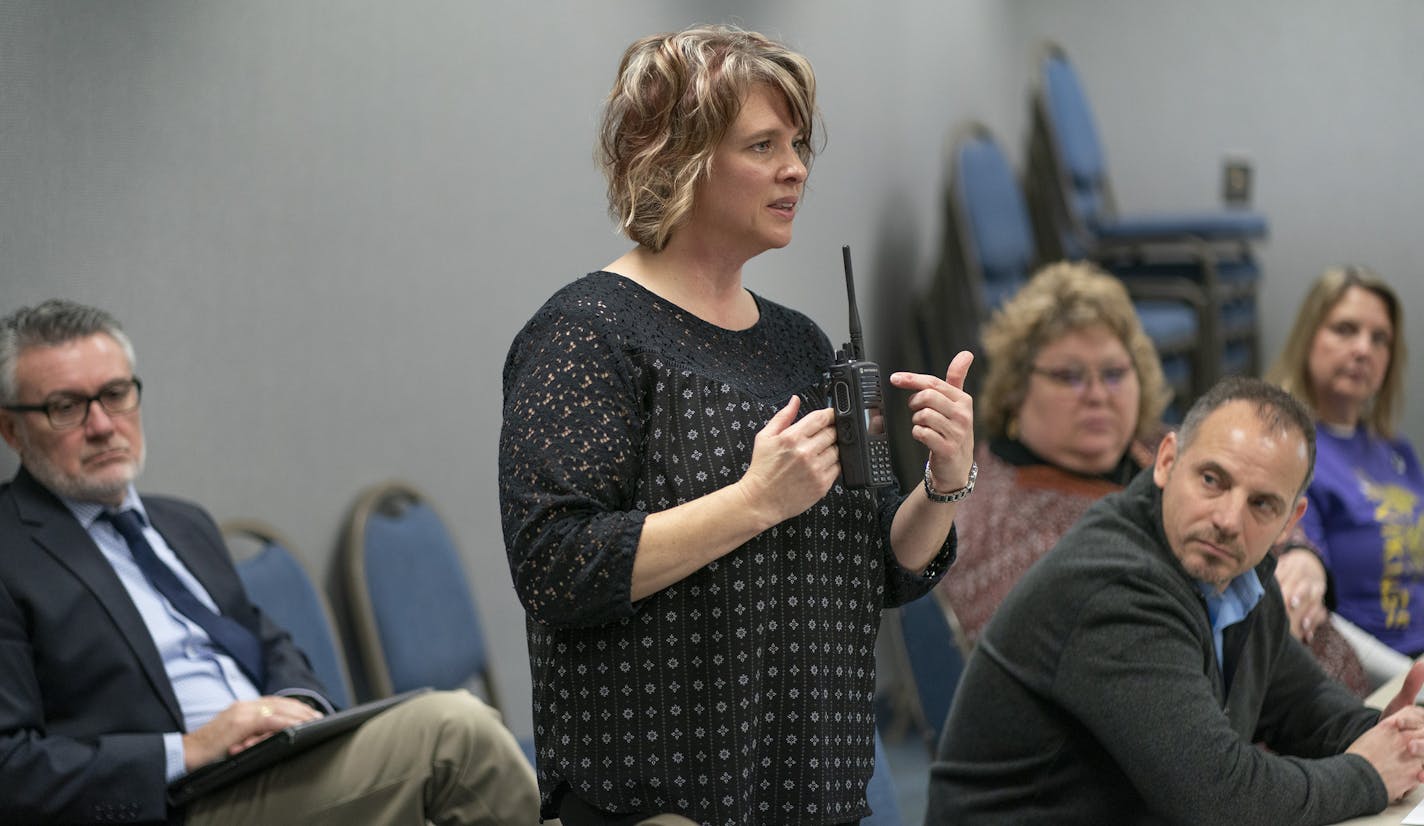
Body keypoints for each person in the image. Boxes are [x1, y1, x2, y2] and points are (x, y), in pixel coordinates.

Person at [498, 24, 974, 826]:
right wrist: (755, 500)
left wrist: (946, 481)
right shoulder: (588, 332)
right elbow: (557, 567)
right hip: (660, 803)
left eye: (796, 143)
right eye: (762, 146)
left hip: (812, 792)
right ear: (675, 161)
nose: (795, 168)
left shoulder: (801, 343)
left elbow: (881, 570)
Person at [0, 300, 541, 825]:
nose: (102, 424)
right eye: (66, 407)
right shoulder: (12, 552)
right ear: (11, 431)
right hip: (179, 799)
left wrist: (291, 705)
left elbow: (267, 641)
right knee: (456, 733)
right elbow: (11, 767)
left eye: (116, 394)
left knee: (469, 732)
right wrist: (186, 750)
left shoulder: (182, 523)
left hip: (279, 757)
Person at [926, 377, 1424, 825]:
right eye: (1213, 480)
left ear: (1289, 521)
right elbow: (1219, 797)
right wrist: (1367, 774)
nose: (1229, 519)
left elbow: (1302, 704)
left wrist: (1394, 735)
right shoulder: (1115, 588)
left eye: (1262, 503)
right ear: (1167, 461)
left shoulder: (1240, 572)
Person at [940, 261, 1366, 693]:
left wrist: (1300, 557)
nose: (1098, 395)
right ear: (1016, 388)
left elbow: (1263, 494)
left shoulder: (1158, 440)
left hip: (1306, 676)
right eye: (1069, 376)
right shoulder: (990, 520)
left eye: (1113, 373)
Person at [1268, 266, 1422, 681]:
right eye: (1345, 329)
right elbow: (1312, 609)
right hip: (1371, 676)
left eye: (1379, 339)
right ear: (1308, 339)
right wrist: (1413, 679)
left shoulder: (1396, 451)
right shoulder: (1288, 449)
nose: (1363, 350)